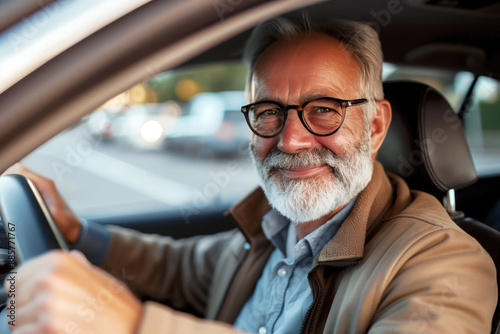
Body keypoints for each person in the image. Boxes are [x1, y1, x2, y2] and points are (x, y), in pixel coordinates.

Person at [3, 17, 497, 334]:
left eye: (323, 109)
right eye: (267, 112)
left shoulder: (444, 263)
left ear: (374, 126)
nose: (290, 140)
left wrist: (136, 325)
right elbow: (178, 267)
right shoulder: (270, 229)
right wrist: (73, 230)